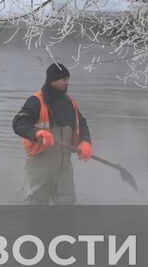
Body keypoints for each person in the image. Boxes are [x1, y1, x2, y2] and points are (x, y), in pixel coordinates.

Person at [11, 62, 94, 205]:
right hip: (40, 166)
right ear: (53, 80)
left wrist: (85, 141)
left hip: (64, 167)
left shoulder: (70, 102)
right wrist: (37, 133)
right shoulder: (36, 101)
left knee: (67, 203)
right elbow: (19, 123)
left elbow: (82, 123)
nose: (68, 83)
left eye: (68, 79)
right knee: (37, 206)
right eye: (64, 80)